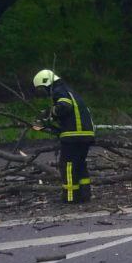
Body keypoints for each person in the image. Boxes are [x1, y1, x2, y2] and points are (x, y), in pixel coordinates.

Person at [33, 69, 95, 204]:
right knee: (80, 164)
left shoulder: (59, 90)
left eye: (42, 89)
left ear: (46, 82)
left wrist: (49, 113)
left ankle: (71, 197)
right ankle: (85, 194)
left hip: (74, 135)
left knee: (67, 166)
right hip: (86, 134)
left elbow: (64, 106)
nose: (44, 93)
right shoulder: (69, 90)